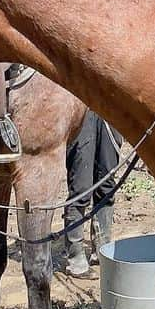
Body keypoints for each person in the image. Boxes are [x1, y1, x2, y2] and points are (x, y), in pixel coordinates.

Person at [61, 109, 119, 276]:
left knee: (107, 184)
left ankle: (102, 249)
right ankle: (75, 257)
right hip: (81, 108)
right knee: (81, 188)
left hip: (108, 107)